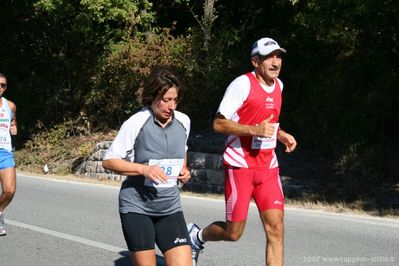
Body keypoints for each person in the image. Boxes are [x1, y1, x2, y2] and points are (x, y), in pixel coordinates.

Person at [187, 37, 297, 266]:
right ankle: (197, 237)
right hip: (240, 166)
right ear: (255, 62)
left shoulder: (280, 86)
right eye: (269, 57)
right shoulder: (242, 85)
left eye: (278, 56)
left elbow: (268, 123)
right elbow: (218, 124)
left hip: (268, 167)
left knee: (276, 227)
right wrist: (253, 130)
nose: (276, 62)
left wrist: (281, 134)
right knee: (234, 233)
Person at [102, 68, 193, 266]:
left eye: (175, 100)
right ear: (152, 97)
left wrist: (184, 170)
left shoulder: (184, 121)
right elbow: (109, 160)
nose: (171, 106)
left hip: (170, 207)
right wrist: (144, 169)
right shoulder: (136, 122)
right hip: (137, 206)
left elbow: (181, 153)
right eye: (166, 100)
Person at [0, 72, 18, 236]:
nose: (0, 87)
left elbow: (12, 120)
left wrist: (14, 127)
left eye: (3, 85)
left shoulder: (10, 105)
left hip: (5, 151)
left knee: (9, 191)